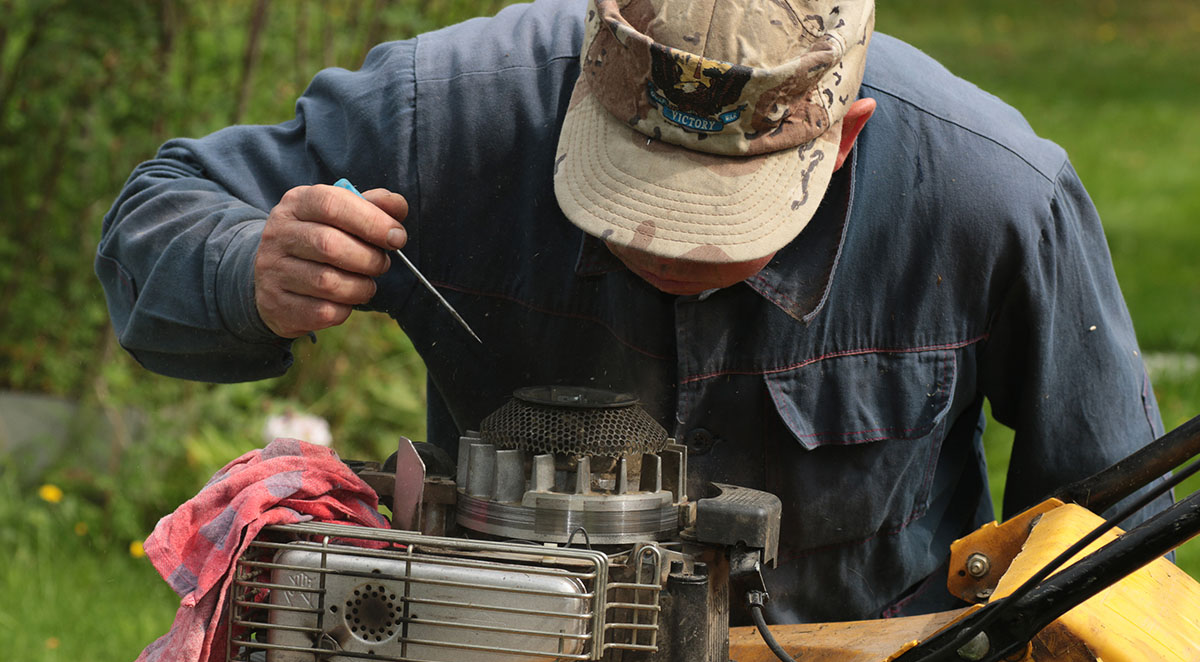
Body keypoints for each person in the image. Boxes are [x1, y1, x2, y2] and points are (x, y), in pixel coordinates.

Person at [95, 0, 1168, 623]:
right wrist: (249, 266)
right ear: (583, 90)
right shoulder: (454, 111)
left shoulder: (996, 197)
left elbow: (1114, 540)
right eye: (634, 192)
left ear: (842, 138)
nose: (666, 241)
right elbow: (152, 218)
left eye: (717, 217)